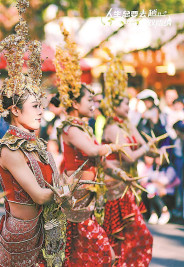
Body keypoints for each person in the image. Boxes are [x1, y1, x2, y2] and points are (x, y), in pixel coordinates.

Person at [0, 2, 74, 266]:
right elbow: (39, 195)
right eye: (35, 106)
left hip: (45, 230)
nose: (41, 111)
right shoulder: (9, 149)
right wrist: (66, 190)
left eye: (41, 105)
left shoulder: (36, 144)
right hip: (23, 235)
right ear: (14, 109)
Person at [50, 25, 127, 266]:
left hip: (89, 195)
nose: (94, 105)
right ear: (75, 103)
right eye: (89, 101)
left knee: (87, 252)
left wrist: (115, 170)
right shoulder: (70, 129)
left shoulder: (83, 126)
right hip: (76, 197)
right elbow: (93, 151)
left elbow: (96, 158)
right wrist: (114, 147)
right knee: (102, 252)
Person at [100, 49, 154, 266]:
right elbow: (132, 156)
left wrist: (147, 144)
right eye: (124, 105)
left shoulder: (124, 124)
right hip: (115, 184)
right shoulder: (112, 128)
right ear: (114, 107)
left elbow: (142, 144)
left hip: (127, 184)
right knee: (125, 235)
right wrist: (147, 148)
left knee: (135, 235)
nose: (128, 107)